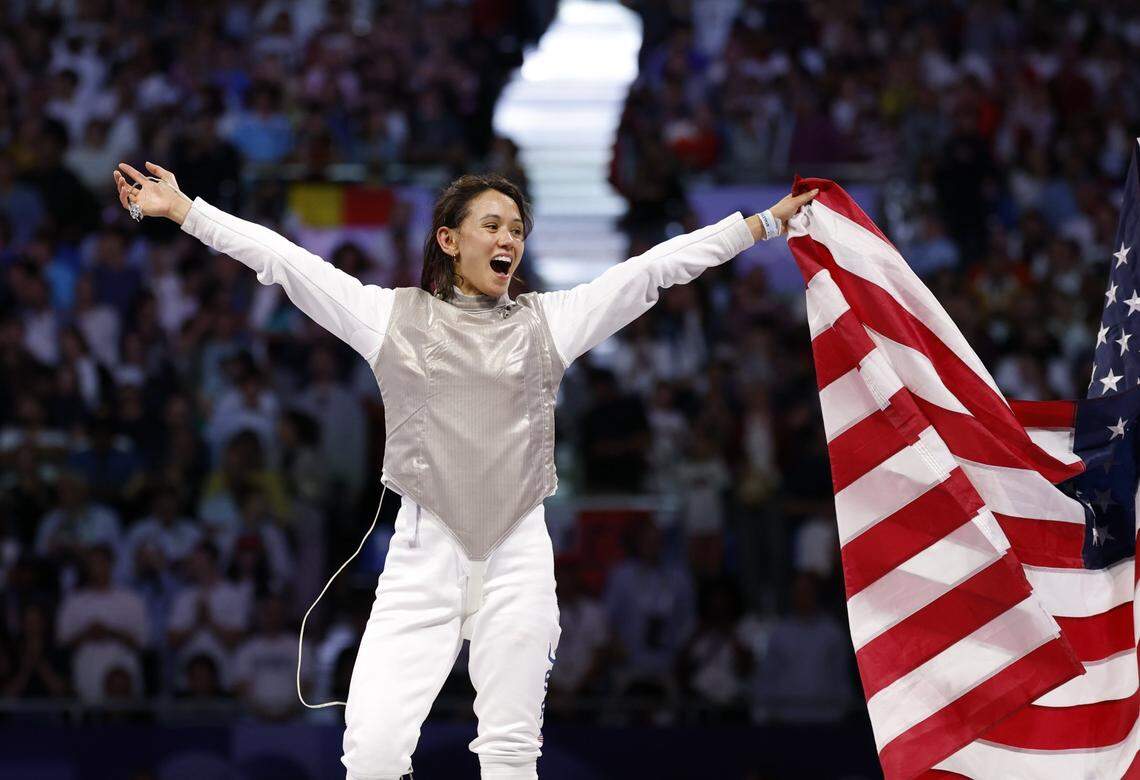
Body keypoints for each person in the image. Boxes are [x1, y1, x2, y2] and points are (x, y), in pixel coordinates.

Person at [113, 159, 817, 780]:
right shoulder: (391, 319)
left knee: (510, 754)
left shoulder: (548, 324)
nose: (509, 238)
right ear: (449, 240)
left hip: (519, 554)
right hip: (423, 555)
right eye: (492, 225)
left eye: (517, 229)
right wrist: (187, 211)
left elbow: (652, 270)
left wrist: (760, 225)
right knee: (374, 754)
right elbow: (286, 262)